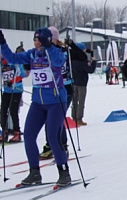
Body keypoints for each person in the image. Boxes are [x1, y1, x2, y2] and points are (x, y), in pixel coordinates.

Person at [0, 27, 72, 186]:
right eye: (35, 39)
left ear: (46, 40)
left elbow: (59, 61)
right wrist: (3, 43)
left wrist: (49, 47)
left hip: (55, 101)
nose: (36, 41)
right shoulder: (32, 54)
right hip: (38, 103)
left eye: (39, 39)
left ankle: (64, 172)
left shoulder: (56, 52)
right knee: (30, 136)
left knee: (53, 137)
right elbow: (12, 58)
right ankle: (34, 173)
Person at [40, 28, 87, 159]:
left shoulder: (64, 50)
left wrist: (72, 44)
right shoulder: (43, 51)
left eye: (50, 38)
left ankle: (62, 146)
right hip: (50, 89)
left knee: (57, 119)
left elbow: (83, 57)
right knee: (49, 119)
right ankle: (50, 145)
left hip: (65, 89)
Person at [0, 48, 27, 142]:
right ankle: (4, 132)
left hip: (16, 90)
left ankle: (17, 133)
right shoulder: (2, 63)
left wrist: (11, 82)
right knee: (3, 111)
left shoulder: (13, 61)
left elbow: (22, 74)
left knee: (13, 111)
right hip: (6, 90)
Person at [71, 42, 97, 126]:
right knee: (81, 101)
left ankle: (74, 117)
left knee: (74, 101)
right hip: (82, 83)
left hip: (73, 82)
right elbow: (90, 70)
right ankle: (79, 118)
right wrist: (93, 62)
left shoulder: (72, 59)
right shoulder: (82, 60)